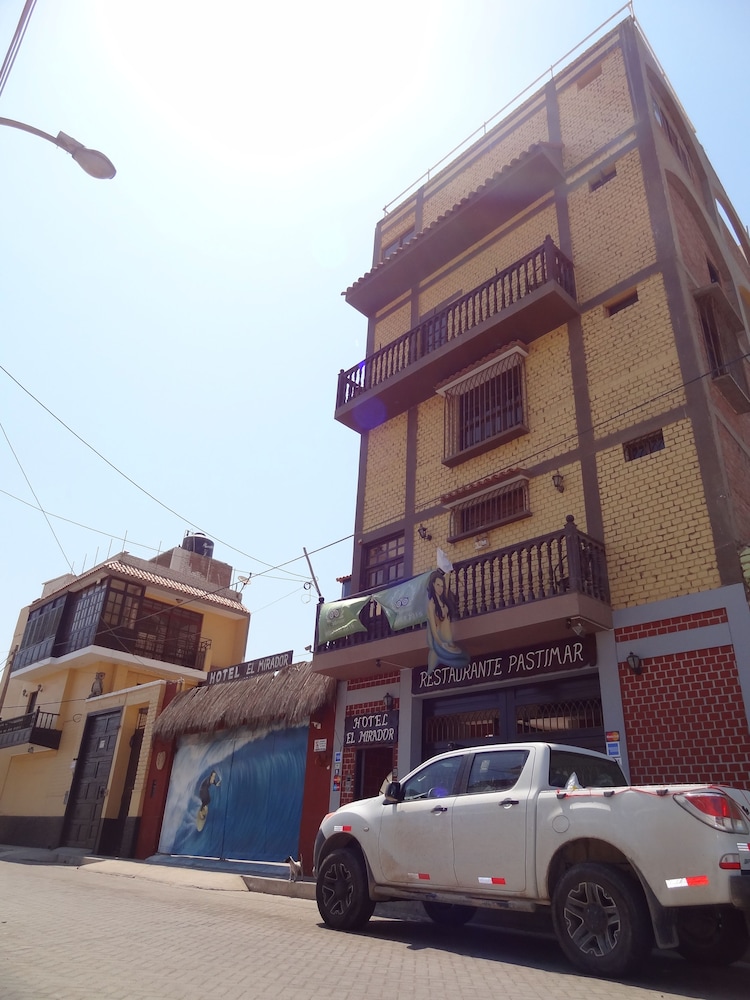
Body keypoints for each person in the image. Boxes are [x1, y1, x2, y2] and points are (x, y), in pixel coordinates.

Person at [425, 569, 469, 675]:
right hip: (441, 640)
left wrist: (448, 570)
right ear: (433, 585)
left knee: (464, 660)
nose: (440, 588)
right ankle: (431, 670)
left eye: (442, 585)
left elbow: (447, 584)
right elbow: (433, 628)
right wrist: (441, 643)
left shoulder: (443, 598)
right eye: (438, 585)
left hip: (449, 641)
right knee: (456, 661)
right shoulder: (431, 605)